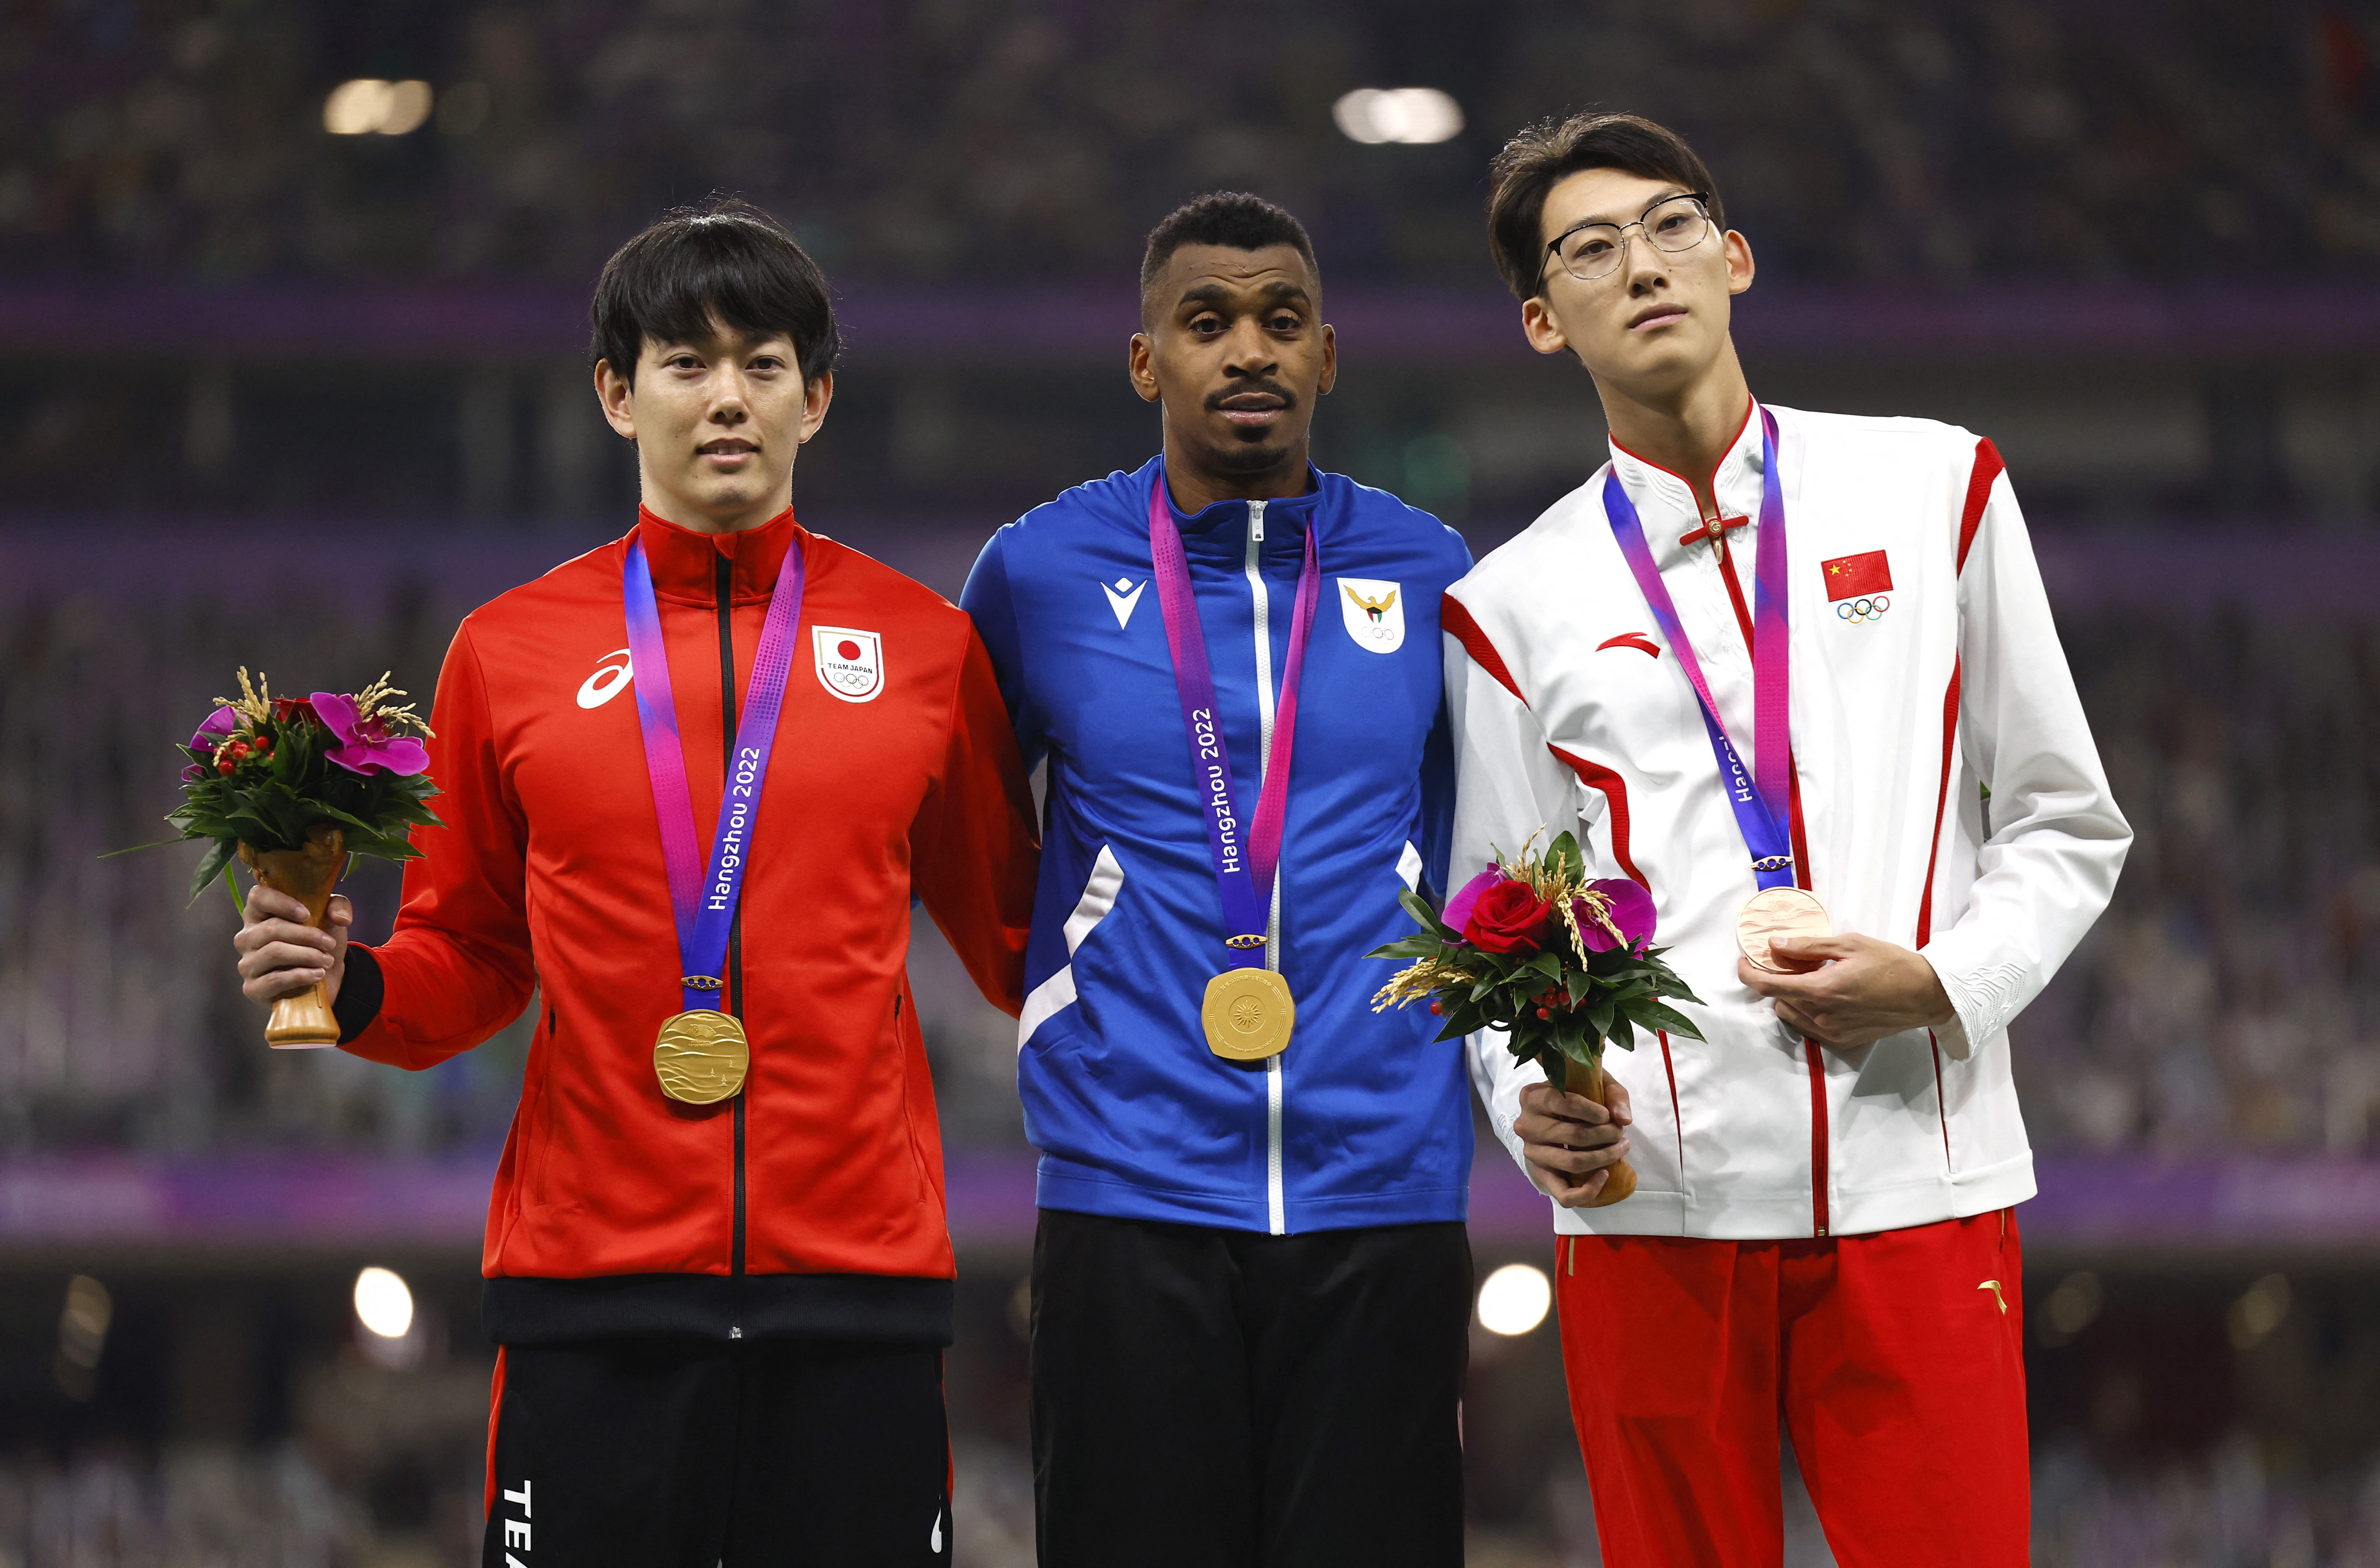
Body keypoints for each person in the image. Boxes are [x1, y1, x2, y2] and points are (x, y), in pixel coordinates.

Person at [230, 200, 1037, 1568]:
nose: (727, 397)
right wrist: (353, 984)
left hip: (856, 1292)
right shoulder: (508, 652)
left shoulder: (924, 646)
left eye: (765, 363)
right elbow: (472, 952)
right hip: (591, 1300)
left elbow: (1024, 941)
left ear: (818, 396)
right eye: (684, 360)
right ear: (616, 393)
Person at [1443, 113, 2131, 1567]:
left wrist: (1942, 984)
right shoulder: (1511, 605)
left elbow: (2070, 822)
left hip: (1919, 1181)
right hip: (1651, 1219)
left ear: (1735, 255)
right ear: (1541, 322)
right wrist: (1534, 1115)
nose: (1641, 265)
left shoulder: (1936, 487)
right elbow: (1489, 937)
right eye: (1589, 249)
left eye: (1673, 225)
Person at [960, 192, 1475, 1567]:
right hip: (1129, 1183)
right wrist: (1066, 993)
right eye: (1207, 322)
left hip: (1386, 1181)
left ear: (1326, 356)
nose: (1247, 349)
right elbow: (964, 831)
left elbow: (1496, 851)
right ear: (1147, 362)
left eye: (1280, 321)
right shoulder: (1037, 572)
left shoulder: (1434, 574)